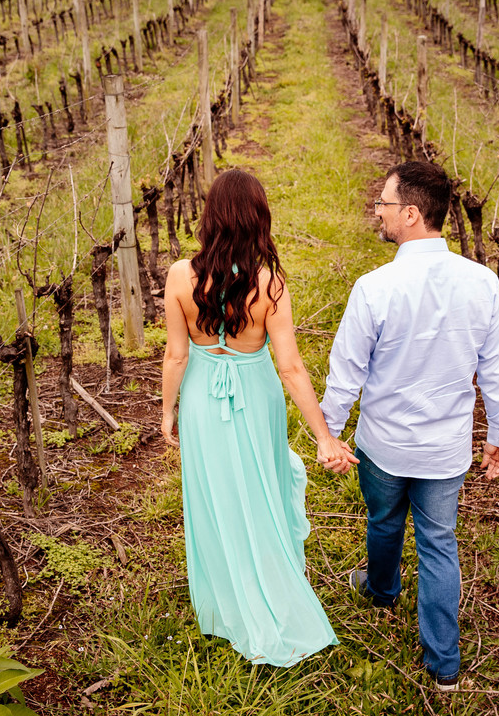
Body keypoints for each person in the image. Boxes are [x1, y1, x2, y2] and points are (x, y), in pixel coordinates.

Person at [319, 160, 499, 691]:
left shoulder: (374, 287)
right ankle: (444, 665)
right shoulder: (481, 283)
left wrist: (330, 434)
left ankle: (382, 591)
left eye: (383, 204)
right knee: (438, 541)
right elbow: (496, 368)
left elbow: (346, 373)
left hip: (383, 445)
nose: (378, 213)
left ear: (409, 214)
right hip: (445, 449)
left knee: (383, 522)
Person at [160, 168, 355, 666]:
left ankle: (225, 606)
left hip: (204, 397)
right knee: (262, 489)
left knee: (214, 495)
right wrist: (323, 436)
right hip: (256, 392)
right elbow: (289, 366)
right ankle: (271, 582)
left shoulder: (181, 276)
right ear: (258, 219)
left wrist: (168, 411)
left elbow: (176, 356)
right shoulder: (270, 285)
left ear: (211, 217)